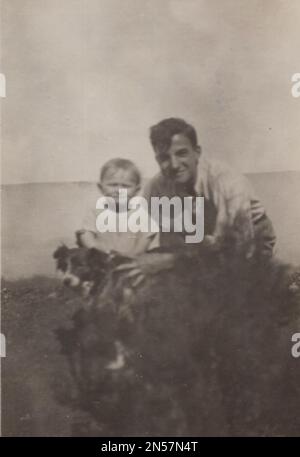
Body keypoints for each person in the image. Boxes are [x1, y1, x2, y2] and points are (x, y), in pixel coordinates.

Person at [116, 118, 276, 281]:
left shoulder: (227, 181)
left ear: (197, 152)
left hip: (248, 238)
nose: (174, 164)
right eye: (164, 157)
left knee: (233, 284)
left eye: (181, 153)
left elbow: (237, 247)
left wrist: (170, 261)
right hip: (197, 241)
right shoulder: (156, 187)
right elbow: (144, 239)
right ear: (157, 159)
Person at [77, 158, 159, 256]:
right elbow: (86, 234)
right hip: (101, 260)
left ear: (136, 190)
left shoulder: (141, 213)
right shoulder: (96, 211)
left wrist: (134, 254)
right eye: (112, 185)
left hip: (130, 261)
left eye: (126, 186)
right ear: (101, 187)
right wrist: (95, 248)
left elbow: (146, 237)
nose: (119, 190)